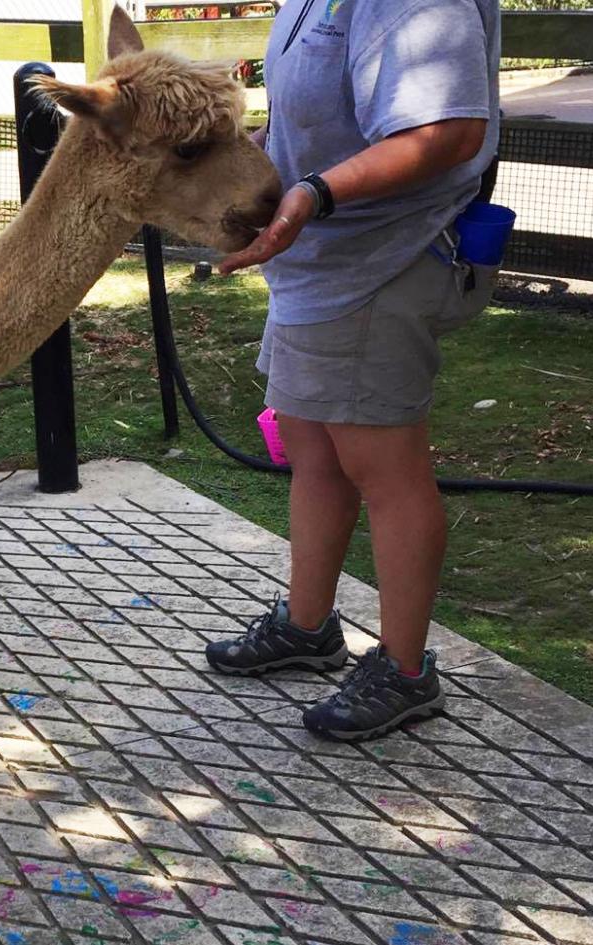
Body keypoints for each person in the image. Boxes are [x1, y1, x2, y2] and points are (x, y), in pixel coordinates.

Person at [203, 0, 502, 741]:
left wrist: (315, 191)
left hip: (382, 262)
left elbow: (447, 130)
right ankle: (308, 628)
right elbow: (313, 115)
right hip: (317, 263)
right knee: (312, 447)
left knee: (384, 467)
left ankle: (405, 670)